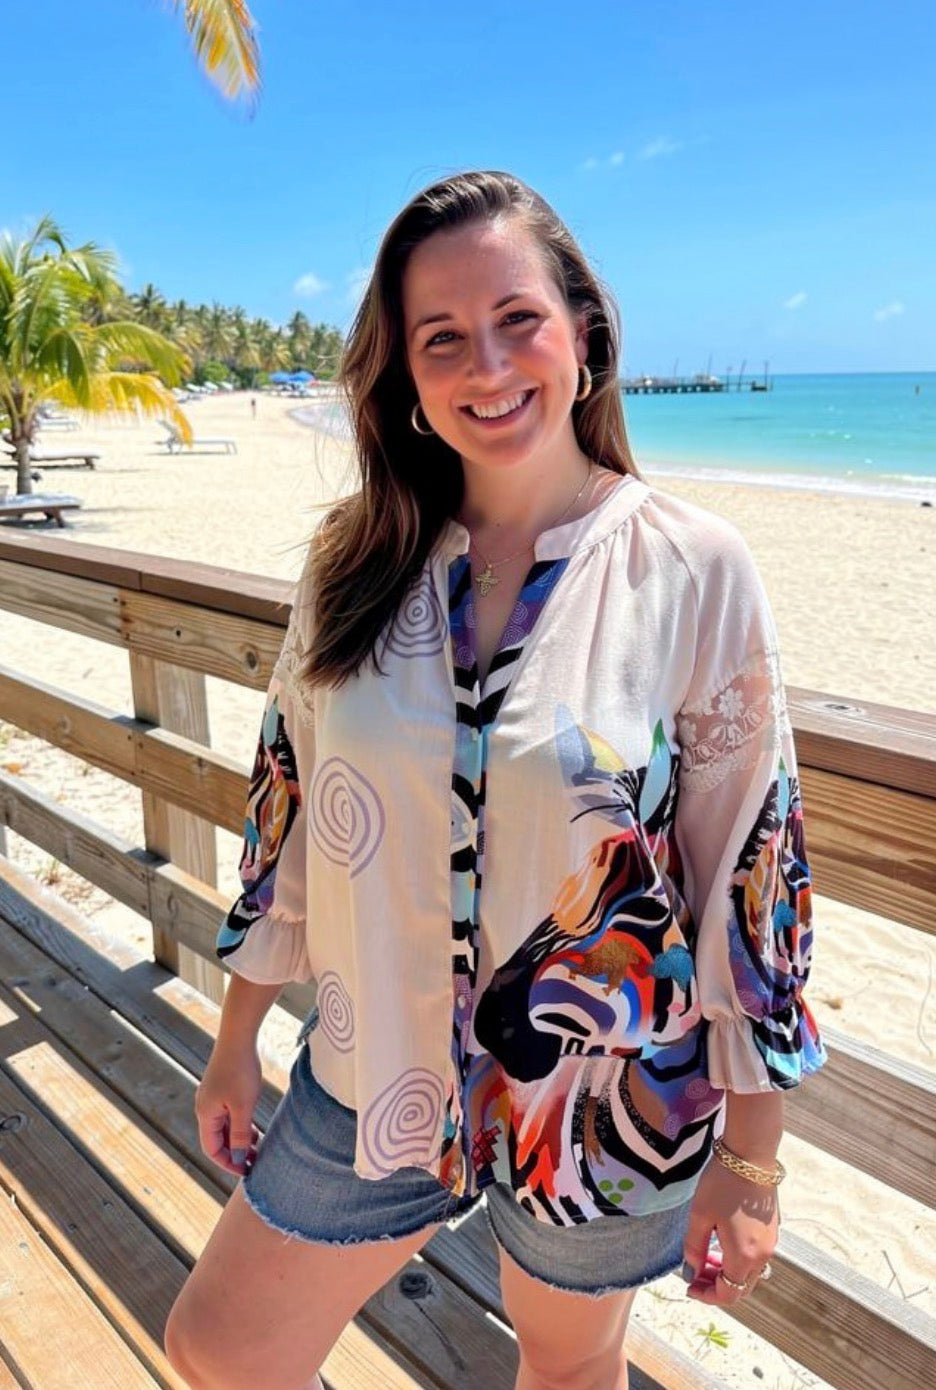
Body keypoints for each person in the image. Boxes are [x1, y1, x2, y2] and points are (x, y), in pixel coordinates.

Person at [165, 171, 825, 1390]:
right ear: (407, 378)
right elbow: (288, 824)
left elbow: (753, 872)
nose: (489, 363)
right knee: (219, 1345)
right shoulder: (354, 566)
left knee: (569, 1371)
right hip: (369, 1070)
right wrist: (236, 1038)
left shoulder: (692, 569)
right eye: (443, 337)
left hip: (603, 1103)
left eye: (519, 318)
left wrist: (755, 1157)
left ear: (583, 333)